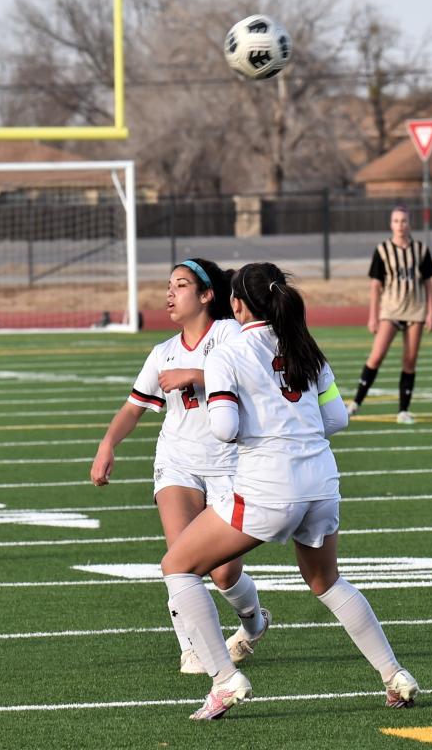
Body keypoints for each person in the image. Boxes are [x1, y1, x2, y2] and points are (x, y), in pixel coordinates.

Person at [162, 262, 418, 721]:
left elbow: (223, 429)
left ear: (236, 303)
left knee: (178, 566)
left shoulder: (228, 353)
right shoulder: (304, 344)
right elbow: (337, 419)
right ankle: (394, 674)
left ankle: (224, 679)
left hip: (268, 486)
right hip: (321, 482)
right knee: (326, 581)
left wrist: (260, 428)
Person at [90, 259, 270, 675]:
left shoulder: (228, 332)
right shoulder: (162, 352)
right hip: (178, 463)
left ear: (207, 295)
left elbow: (256, 372)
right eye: (168, 285)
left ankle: (254, 623)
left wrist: (197, 373)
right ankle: (190, 647)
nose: (170, 293)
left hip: (228, 464)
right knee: (181, 559)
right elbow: (133, 408)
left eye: (181, 285)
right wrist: (107, 444)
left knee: (225, 573)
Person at [346, 205, 432, 424]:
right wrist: (373, 315)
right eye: (396, 221)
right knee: (376, 356)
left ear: (409, 223)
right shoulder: (383, 250)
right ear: (391, 224)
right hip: (391, 310)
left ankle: (403, 411)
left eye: (404, 221)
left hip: (415, 310)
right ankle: (356, 402)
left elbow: (428, 283)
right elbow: (375, 285)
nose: (400, 225)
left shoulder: (420, 250)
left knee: (410, 360)